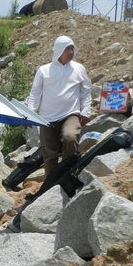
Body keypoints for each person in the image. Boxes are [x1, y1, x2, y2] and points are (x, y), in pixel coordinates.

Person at [25, 35, 92, 176]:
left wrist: (86, 112)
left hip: (71, 114)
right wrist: (30, 114)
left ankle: (67, 174)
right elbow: (35, 94)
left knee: (70, 137)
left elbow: (86, 92)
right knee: (49, 153)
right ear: (59, 50)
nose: (71, 52)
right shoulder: (43, 70)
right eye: (68, 49)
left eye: (72, 48)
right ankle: (51, 183)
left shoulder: (79, 69)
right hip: (47, 118)